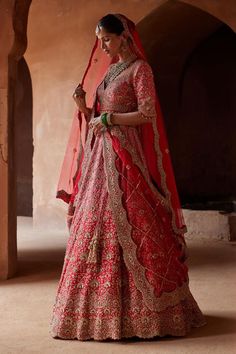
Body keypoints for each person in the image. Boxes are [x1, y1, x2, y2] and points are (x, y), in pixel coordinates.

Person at [50, 13, 206, 340]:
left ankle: (149, 317)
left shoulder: (140, 70)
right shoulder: (110, 73)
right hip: (99, 161)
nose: (102, 45)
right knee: (90, 226)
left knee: (139, 224)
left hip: (125, 158)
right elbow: (97, 118)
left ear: (124, 37)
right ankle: (89, 317)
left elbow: (147, 113)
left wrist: (109, 119)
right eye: (100, 40)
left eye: (107, 38)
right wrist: (84, 108)